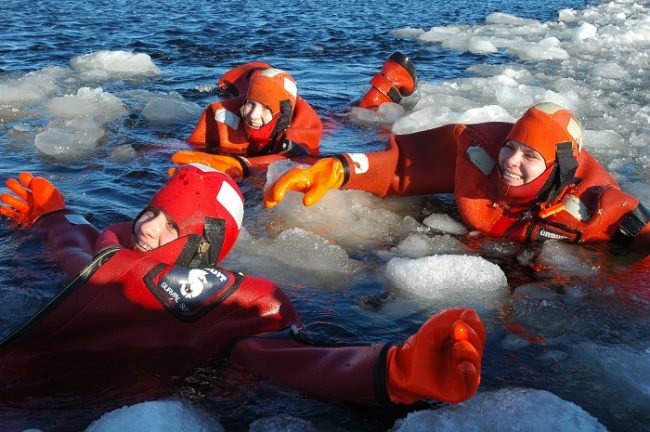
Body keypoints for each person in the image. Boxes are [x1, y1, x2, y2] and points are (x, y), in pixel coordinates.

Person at [0, 164, 484, 407]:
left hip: (92, 397)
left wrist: (389, 371)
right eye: (151, 212)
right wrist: (54, 214)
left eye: (172, 226)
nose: (149, 229)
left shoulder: (218, 301)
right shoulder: (113, 244)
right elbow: (75, 249)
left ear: (201, 247)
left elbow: (290, 359)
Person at [263, 102, 650, 250]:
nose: (511, 161)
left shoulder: (597, 207)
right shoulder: (480, 151)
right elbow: (401, 168)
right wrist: (341, 168)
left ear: (560, 167)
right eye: (511, 146)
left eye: (530, 156)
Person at [172, 53, 418, 179]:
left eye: (263, 109)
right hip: (260, 93)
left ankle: (381, 91)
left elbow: (289, 160)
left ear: (281, 113)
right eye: (250, 105)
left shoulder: (302, 128)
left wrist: (243, 166)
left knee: (338, 121)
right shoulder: (224, 113)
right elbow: (189, 146)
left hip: (298, 127)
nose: (251, 115)